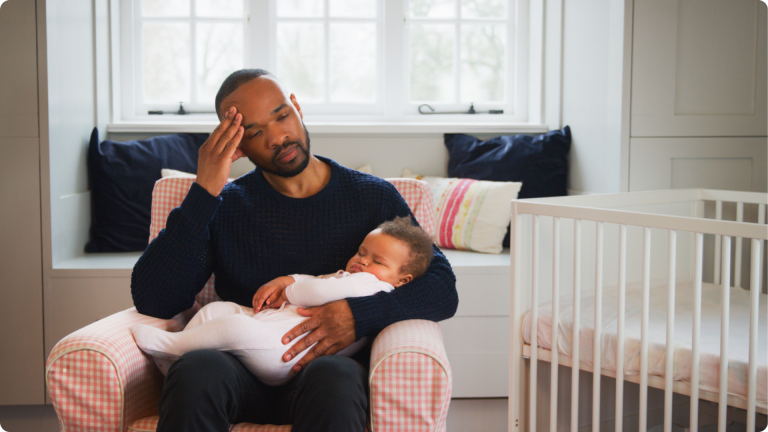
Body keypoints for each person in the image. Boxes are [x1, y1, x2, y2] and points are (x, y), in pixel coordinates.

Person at [130, 68, 458, 432]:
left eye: (282, 115)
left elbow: (442, 286)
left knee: (334, 376)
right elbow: (154, 300)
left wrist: (359, 314)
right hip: (239, 368)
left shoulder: (373, 197)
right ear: (237, 145)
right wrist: (204, 191)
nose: (278, 137)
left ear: (297, 108)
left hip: (326, 375)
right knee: (194, 369)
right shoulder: (224, 205)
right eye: (254, 132)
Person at [131, 217, 433, 386]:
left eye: (376, 260)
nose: (362, 262)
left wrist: (292, 291)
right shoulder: (350, 275)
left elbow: (315, 292)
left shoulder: (372, 286)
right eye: (362, 251)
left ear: (402, 279)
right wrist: (290, 278)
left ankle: (169, 347)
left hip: (283, 352)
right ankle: (179, 357)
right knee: (218, 310)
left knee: (233, 326)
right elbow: (316, 279)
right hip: (269, 329)